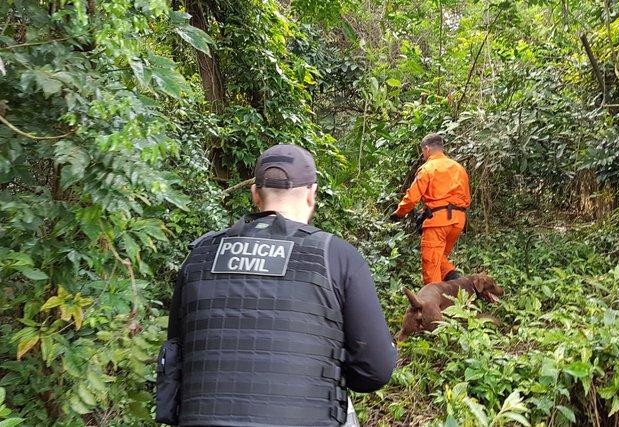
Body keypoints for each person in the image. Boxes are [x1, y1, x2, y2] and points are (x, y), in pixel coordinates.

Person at [156, 144, 397, 426]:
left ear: (255, 194)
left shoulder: (199, 256)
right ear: (312, 194)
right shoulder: (337, 256)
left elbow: (175, 355)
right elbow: (375, 370)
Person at [390, 133, 471, 285]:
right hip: (458, 221)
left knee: (431, 265)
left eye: (423, 151)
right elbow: (466, 198)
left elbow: (412, 197)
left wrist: (399, 213)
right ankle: (454, 278)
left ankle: (434, 302)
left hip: (438, 223)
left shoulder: (428, 168)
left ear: (427, 149)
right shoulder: (459, 168)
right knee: (439, 258)